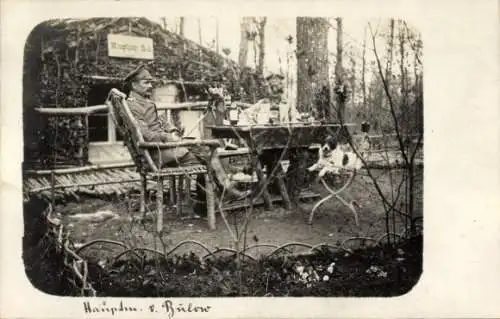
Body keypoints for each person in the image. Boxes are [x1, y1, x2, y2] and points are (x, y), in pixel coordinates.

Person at [123, 65, 250, 214]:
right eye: (146, 82)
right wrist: (170, 138)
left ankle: (210, 199)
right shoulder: (131, 106)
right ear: (134, 84)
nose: (150, 86)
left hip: (162, 147)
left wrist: (173, 131)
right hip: (154, 153)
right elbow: (146, 135)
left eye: (151, 82)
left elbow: (164, 122)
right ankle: (221, 193)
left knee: (205, 150)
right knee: (207, 154)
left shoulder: (147, 102)